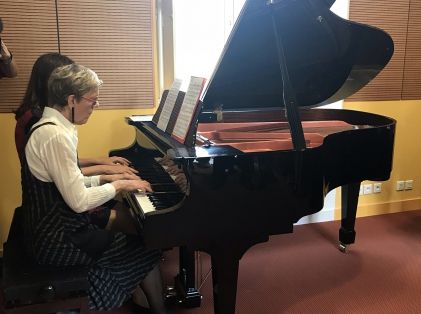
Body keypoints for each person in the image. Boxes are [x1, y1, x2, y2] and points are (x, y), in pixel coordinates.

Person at [22, 63, 167, 313]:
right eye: (92, 100)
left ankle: (153, 306)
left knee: (137, 235)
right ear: (71, 100)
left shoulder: (52, 128)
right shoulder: (54, 136)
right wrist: (121, 183)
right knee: (145, 244)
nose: (95, 107)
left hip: (56, 229)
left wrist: (107, 180)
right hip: (59, 241)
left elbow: (72, 182)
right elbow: (78, 201)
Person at [14, 52, 137, 176]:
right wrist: (105, 169)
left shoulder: (38, 112)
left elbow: (61, 161)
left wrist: (99, 161)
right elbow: (61, 174)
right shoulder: (36, 120)